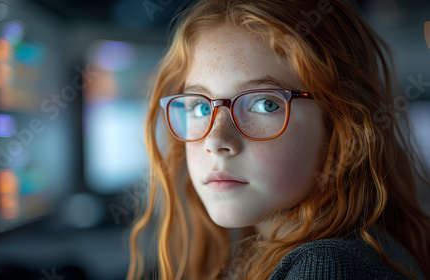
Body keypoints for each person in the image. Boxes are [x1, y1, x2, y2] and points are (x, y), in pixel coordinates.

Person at [127, 0, 430, 279]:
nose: (216, 140)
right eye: (200, 106)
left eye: (265, 104)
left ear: (342, 125)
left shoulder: (329, 266)